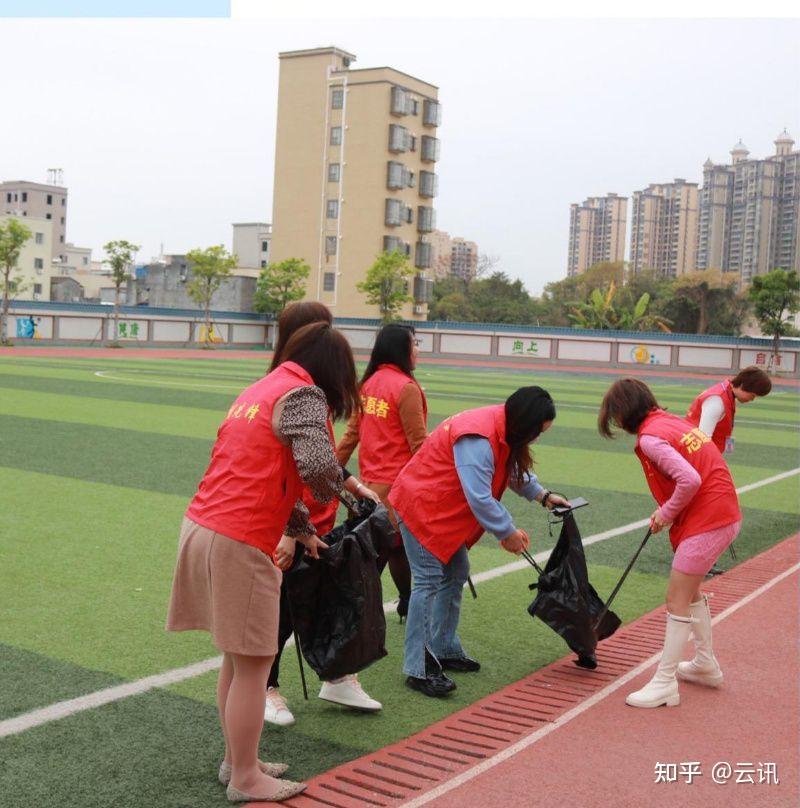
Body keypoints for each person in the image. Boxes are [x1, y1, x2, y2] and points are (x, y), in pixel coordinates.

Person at [166, 322, 359, 803]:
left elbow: (268, 469)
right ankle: (246, 778)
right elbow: (315, 467)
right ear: (335, 369)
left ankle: (237, 760)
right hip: (240, 537)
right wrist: (352, 494)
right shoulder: (303, 395)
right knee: (254, 663)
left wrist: (299, 529)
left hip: (203, 525)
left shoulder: (260, 389)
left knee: (237, 658)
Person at [389, 387, 570, 697]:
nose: (537, 439)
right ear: (524, 424)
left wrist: (543, 496)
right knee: (428, 581)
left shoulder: (501, 426)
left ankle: (444, 646)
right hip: (420, 508)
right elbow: (479, 497)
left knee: (456, 571)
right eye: (537, 432)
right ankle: (418, 666)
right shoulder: (478, 437)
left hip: (442, 512)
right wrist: (507, 533)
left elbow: (511, 470)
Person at [264, 301, 383, 725]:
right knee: (279, 610)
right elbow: (278, 468)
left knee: (329, 599)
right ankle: (267, 687)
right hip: (288, 523)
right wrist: (288, 529)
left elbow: (321, 457)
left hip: (321, 520)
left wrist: (350, 485)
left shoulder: (312, 391)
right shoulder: (287, 391)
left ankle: (337, 676)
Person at [598, 378, 741, 709]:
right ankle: (705, 665)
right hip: (720, 512)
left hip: (709, 518)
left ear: (623, 413)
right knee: (691, 593)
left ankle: (664, 683)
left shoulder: (651, 438)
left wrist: (664, 513)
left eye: (615, 417)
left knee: (675, 599)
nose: (617, 424)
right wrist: (669, 513)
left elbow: (689, 479)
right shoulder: (670, 421)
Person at [337, 324, 428, 620]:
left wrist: (330, 469)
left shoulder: (368, 384)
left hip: (365, 490)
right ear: (401, 349)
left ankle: (391, 604)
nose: (418, 350)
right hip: (395, 493)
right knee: (387, 553)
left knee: (374, 553)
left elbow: (351, 435)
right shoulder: (406, 388)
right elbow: (419, 446)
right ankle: (386, 606)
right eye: (415, 344)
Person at [685, 366, 772, 454]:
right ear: (743, 385)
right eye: (753, 395)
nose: (752, 399)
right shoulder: (717, 400)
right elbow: (703, 438)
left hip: (703, 454)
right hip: (696, 456)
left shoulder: (727, 391)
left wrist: (726, 450)